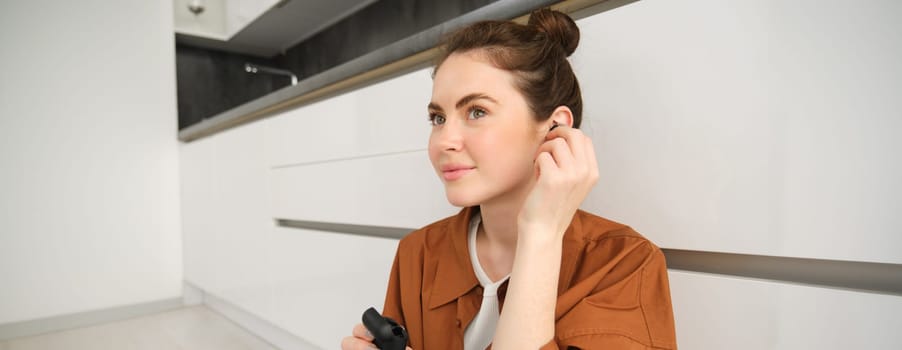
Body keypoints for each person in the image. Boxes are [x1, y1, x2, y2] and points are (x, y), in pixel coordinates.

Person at [342, 8, 676, 350]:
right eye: (438, 118)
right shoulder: (419, 254)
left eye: (477, 111)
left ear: (554, 127)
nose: (444, 141)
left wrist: (541, 234)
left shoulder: (623, 264)